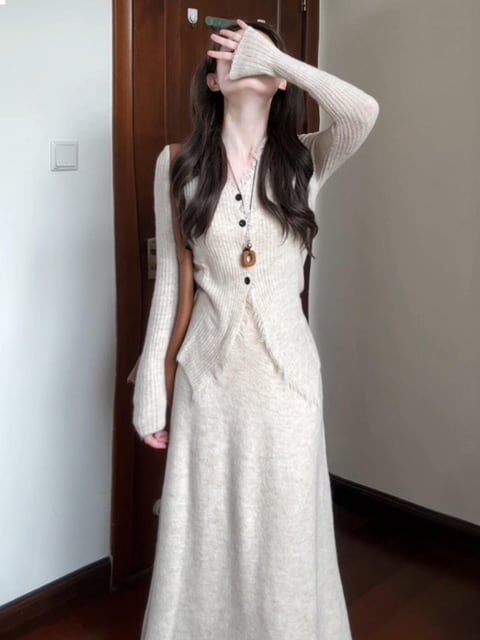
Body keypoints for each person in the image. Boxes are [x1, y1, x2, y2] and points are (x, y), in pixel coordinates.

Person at [132, 18, 379, 640]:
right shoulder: (178, 165)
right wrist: (150, 392)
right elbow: (171, 284)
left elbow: (363, 111)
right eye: (231, 52)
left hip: (287, 387)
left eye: (258, 51)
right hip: (208, 388)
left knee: (286, 543)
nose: (243, 58)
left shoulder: (306, 160)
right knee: (206, 540)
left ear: (279, 81)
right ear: (213, 81)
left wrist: (278, 60)